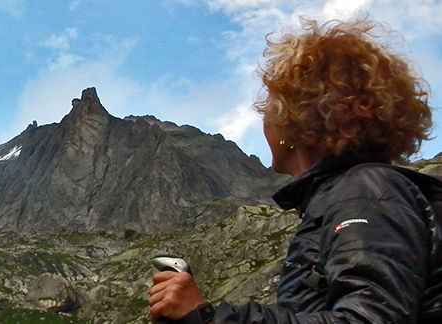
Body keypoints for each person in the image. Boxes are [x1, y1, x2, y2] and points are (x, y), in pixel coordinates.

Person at [149, 17, 441, 324]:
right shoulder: (351, 195)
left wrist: (206, 317)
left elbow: (369, 318)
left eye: (271, 105)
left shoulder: (364, 192)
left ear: (297, 119)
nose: (263, 120)